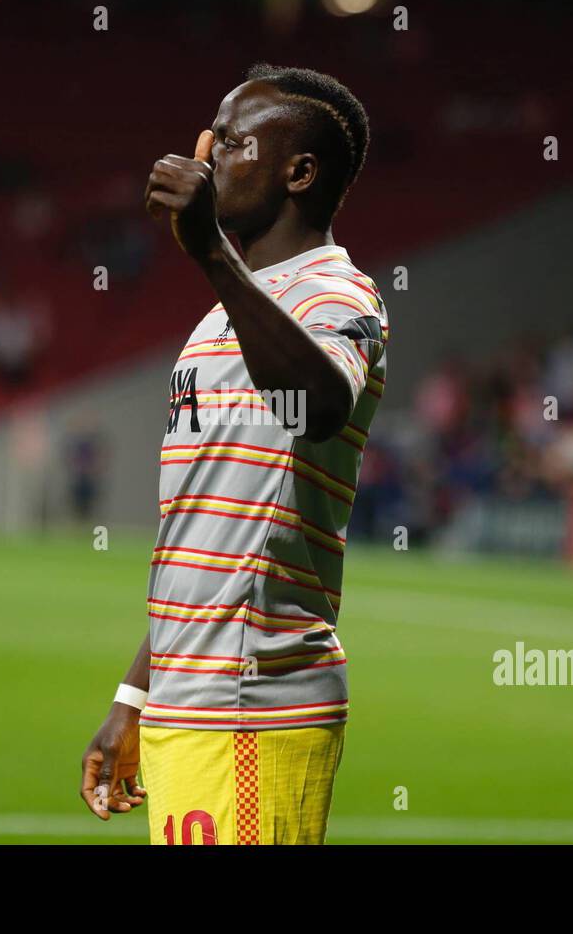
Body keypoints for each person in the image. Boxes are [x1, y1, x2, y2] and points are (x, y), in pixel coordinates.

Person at [79, 65, 386, 844]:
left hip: (257, 702)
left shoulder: (337, 294)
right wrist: (136, 696)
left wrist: (212, 250)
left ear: (299, 172)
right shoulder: (219, 320)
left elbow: (318, 407)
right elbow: (202, 536)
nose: (208, 155)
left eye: (234, 141)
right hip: (192, 699)